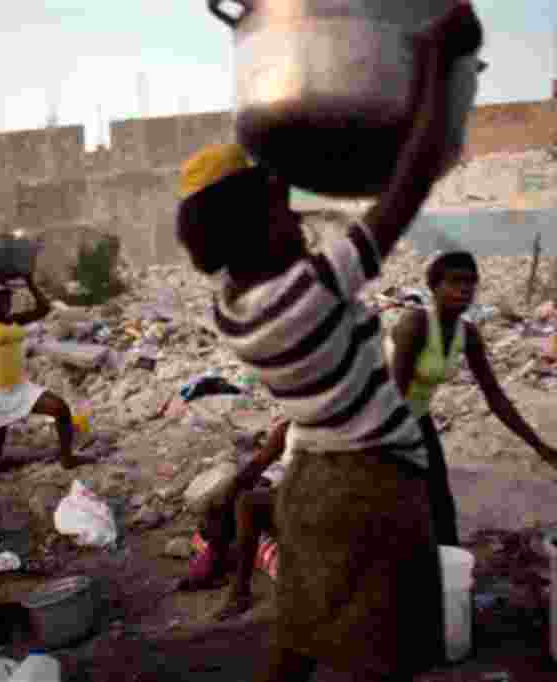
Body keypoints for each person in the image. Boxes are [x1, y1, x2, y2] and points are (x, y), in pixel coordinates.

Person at [176, 5, 485, 679]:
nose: (295, 215)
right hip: (371, 483)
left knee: (301, 633)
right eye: (281, 211)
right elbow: (413, 176)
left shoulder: (234, 306)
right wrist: (431, 60)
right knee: (385, 648)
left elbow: (258, 207)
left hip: (312, 480)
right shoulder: (311, 289)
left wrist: (273, 134)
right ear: (255, 227)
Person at [386, 251, 557, 547]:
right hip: (378, 418)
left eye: (470, 283)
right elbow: (394, 397)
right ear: (434, 286)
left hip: (415, 416)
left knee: (439, 501)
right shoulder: (416, 323)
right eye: (455, 281)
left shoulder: (467, 333)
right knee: (397, 500)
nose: (464, 289)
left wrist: (540, 446)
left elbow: (495, 397)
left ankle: (447, 572)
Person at [0, 239, 91, 515]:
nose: (6, 303)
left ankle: (66, 458)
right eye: (0, 299)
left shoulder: (14, 321)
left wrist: (29, 280)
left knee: (61, 409)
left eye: (8, 299)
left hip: (21, 388)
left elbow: (44, 308)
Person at [179, 419, 293, 621]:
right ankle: (216, 554)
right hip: (294, 504)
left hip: (317, 513)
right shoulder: (289, 429)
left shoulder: (335, 433)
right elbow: (255, 466)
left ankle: (238, 589)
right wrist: (225, 499)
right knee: (236, 492)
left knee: (248, 503)